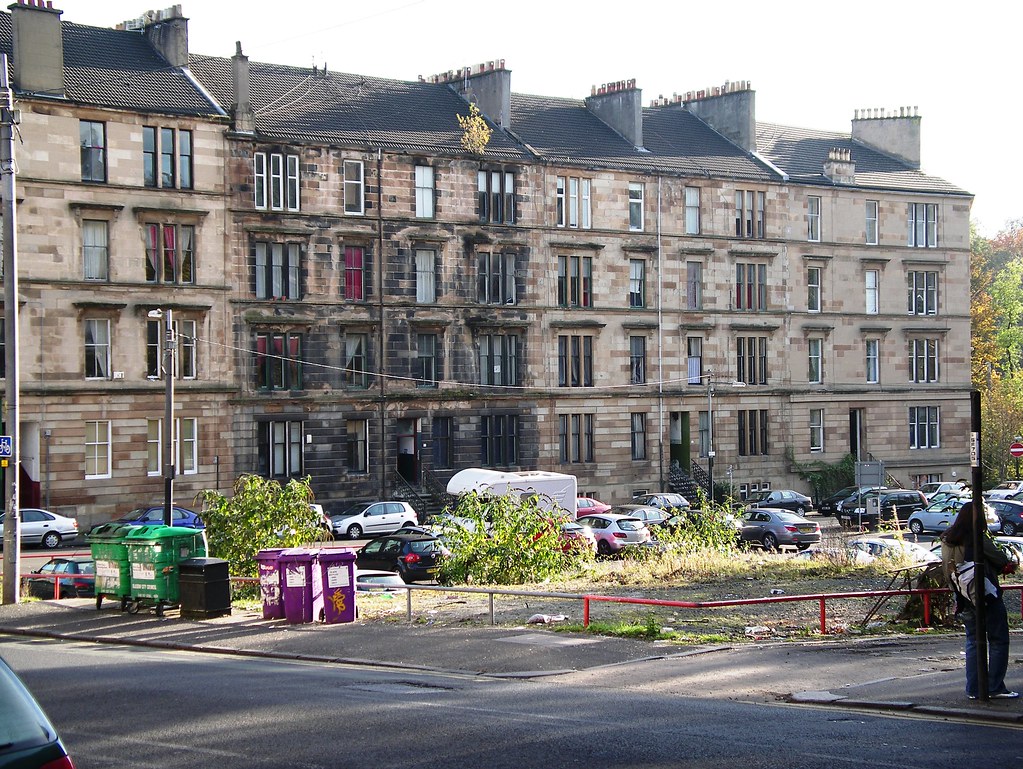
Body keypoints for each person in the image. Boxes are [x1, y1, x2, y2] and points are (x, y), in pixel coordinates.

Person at [940, 501, 1019, 699]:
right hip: (986, 593)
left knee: (973, 642)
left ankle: (974, 688)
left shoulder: (948, 539)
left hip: (963, 595)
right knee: (998, 640)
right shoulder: (977, 537)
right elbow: (1001, 559)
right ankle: (994, 687)